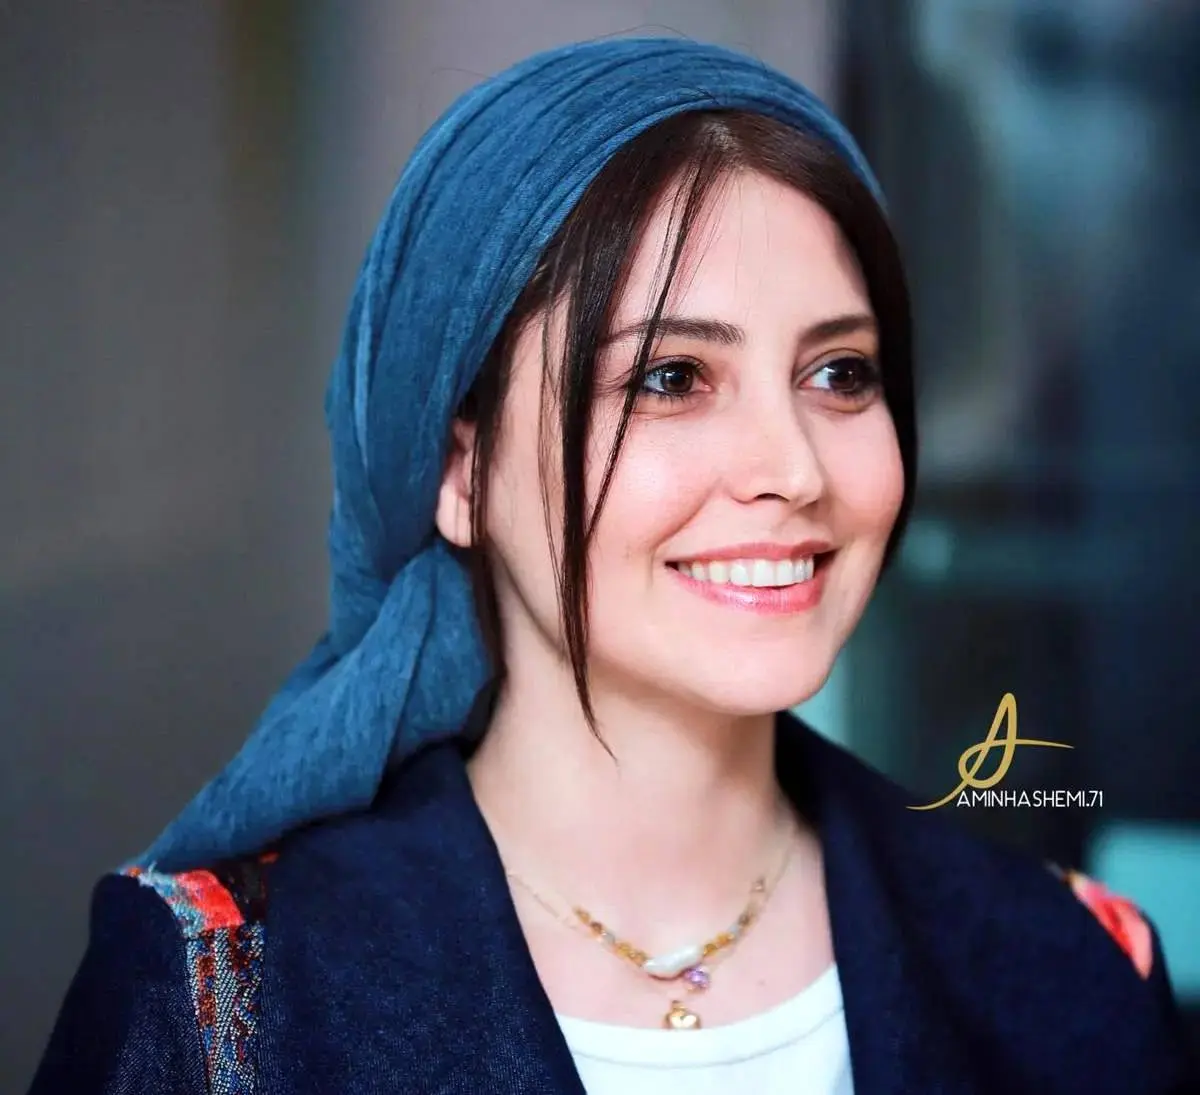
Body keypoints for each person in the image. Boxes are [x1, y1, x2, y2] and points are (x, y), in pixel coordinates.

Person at [29, 37, 1195, 1095]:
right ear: (457, 468)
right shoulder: (221, 1003)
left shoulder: (1071, 964)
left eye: (840, 373)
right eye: (670, 379)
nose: (793, 468)